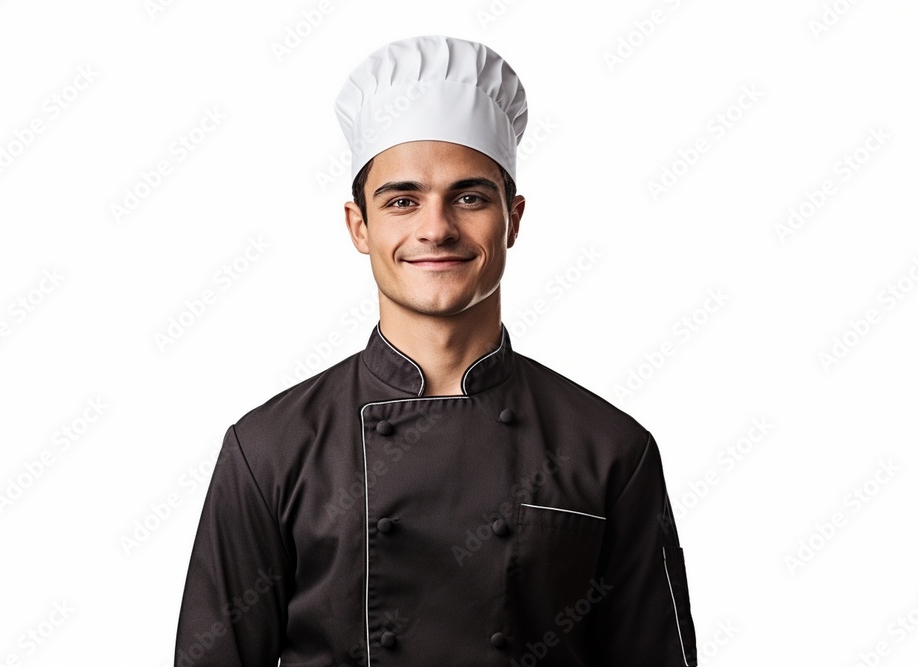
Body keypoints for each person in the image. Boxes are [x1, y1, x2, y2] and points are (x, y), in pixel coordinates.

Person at [175, 34, 697, 666]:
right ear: (359, 226)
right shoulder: (269, 451)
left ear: (513, 218)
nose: (436, 228)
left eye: (469, 197)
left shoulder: (611, 449)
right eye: (402, 201)